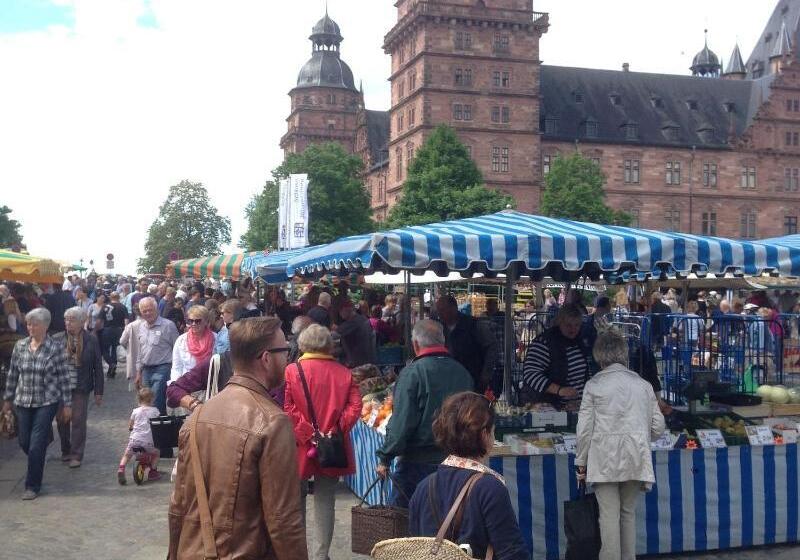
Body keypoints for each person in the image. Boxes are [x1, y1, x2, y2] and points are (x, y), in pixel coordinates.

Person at [168, 317, 308, 559]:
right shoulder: (273, 422)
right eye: (285, 350)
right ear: (266, 358)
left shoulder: (198, 417)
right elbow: (283, 520)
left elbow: (178, 506)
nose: (288, 357)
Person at [575, 330, 666, 560]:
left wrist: (581, 464)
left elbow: (584, 430)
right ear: (624, 354)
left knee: (608, 516)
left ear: (599, 356)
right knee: (628, 514)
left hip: (603, 458)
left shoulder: (593, 385)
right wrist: (641, 437)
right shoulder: (643, 385)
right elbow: (658, 427)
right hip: (636, 455)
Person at [409, 392, 529, 560]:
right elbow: (512, 553)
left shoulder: (423, 486)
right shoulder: (489, 488)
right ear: (484, 435)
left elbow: (415, 546)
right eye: (493, 432)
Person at [376, 319, 474, 506]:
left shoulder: (413, 373)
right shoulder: (462, 372)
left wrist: (385, 457)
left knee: (403, 521)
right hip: (455, 461)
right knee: (446, 520)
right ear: (443, 341)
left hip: (417, 463)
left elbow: (401, 423)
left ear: (415, 344)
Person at [283, 324, 361, 560]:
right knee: (326, 498)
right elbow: (355, 407)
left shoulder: (291, 371)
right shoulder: (344, 373)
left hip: (299, 445)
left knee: (296, 498)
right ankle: (320, 555)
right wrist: (334, 430)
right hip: (332, 446)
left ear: (302, 344)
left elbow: (288, 407)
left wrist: (308, 432)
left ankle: (299, 553)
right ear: (329, 345)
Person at [2, 308, 72, 500]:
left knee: (35, 445)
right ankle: (40, 450)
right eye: (28, 324)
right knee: (25, 441)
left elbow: (64, 377)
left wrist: (67, 404)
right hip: (23, 400)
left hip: (46, 401)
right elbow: (13, 374)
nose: (30, 327)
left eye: (35, 324)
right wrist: (7, 400)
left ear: (45, 326)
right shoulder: (21, 346)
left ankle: (32, 485)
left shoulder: (55, 348)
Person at [54, 307, 103, 468]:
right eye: (66, 319)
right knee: (62, 420)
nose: (68, 323)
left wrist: (98, 391)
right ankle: (65, 450)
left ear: (82, 322)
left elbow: (97, 366)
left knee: (78, 421)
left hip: (81, 386)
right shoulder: (57, 339)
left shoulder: (91, 339)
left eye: (72, 320)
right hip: (61, 387)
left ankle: (76, 454)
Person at [521, 304, 591, 409]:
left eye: (577, 325)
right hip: (548, 407)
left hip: (574, 406)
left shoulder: (580, 342)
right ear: (559, 323)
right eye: (568, 325)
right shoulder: (544, 343)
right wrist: (559, 390)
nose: (573, 329)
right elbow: (531, 374)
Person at [435, 295, 496, 393]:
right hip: (447, 382)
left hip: (472, 380)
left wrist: (485, 376)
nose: (440, 314)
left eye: (442, 310)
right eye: (438, 311)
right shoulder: (438, 328)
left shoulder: (473, 324)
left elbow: (491, 347)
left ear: (453, 308)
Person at [134, 297, 179, 417]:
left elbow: (177, 348)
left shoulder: (168, 325)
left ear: (157, 309)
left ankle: (160, 431)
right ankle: (149, 430)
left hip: (163, 367)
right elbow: (140, 351)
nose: (148, 313)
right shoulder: (141, 327)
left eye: (150, 310)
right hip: (146, 369)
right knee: (145, 402)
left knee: (156, 401)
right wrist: (138, 372)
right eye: (144, 311)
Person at [117, 387, 161, 484]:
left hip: (134, 440)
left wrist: (131, 428)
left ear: (139, 399)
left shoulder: (135, 411)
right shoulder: (155, 411)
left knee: (126, 455)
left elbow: (130, 425)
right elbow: (157, 424)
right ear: (152, 399)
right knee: (157, 453)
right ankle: (153, 472)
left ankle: (121, 468)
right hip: (148, 441)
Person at [170, 305, 215, 384]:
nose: (193, 324)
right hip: (187, 384)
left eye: (197, 321)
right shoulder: (181, 340)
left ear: (206, 321)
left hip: (209, 384)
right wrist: (175, 385)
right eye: (191, 321)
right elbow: (177, 367)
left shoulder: (216, 339)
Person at [336, 299, 376, 367]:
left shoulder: (353, 322)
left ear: (346, 310)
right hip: (367, 360)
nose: (339, 314)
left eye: (340, 311)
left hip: (357, 363)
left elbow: (334, 334)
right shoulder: (363, 319)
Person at [102, 292, 128, 378]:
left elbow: (99, 320)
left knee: (104, 349)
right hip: (118, 330)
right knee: (114, 349)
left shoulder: (105, 307)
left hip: (106, 329)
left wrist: (95, 330)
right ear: (119, 297)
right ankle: (112, 369)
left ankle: (111, 364)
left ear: (110, 297)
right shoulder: (123, 307)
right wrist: (125, 331)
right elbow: (126, 321)